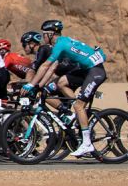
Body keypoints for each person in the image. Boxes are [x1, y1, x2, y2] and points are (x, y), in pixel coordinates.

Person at [25, 19, 107, 158]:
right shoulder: (61, 44)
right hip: (86, 70)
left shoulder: (60, 45)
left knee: (79, 106)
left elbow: (45, 66)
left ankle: (87, 143)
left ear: (50, 34)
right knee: (61, 82)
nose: (42, 37)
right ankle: (75, 112)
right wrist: (40, 86)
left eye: (44, 34)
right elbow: (52, 68)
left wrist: (31, 85)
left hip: (95, 71)